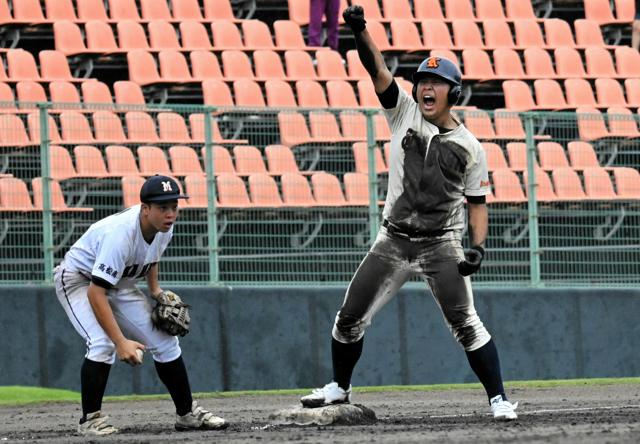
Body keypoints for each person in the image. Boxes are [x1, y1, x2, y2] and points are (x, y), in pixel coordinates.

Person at [300, 5, 518, 421]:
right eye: (422, 81)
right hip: (393, 240)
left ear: (453, 93)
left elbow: (478, 203)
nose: (427, 88)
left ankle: (499, 400)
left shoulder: (471, 147)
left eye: (437, 82)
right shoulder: (403, 112)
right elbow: (376, 68)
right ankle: (340, 389)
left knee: (467, 325)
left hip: (441, 245)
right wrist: (360, 31)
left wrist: (478, 248)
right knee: (347, 319)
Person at [54, 175, 228, 435]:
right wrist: (121, 341)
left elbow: (150, 258)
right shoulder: (120, 234)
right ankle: (90, 420)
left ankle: (186, 414)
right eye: (162, 208)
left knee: (166, 342)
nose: (170, 214)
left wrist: (155, 290)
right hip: (79, 281)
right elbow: (96, 293)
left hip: (119, 283)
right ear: (145, 209)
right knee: (102, 343)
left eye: (174, 207)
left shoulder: (164, 227)